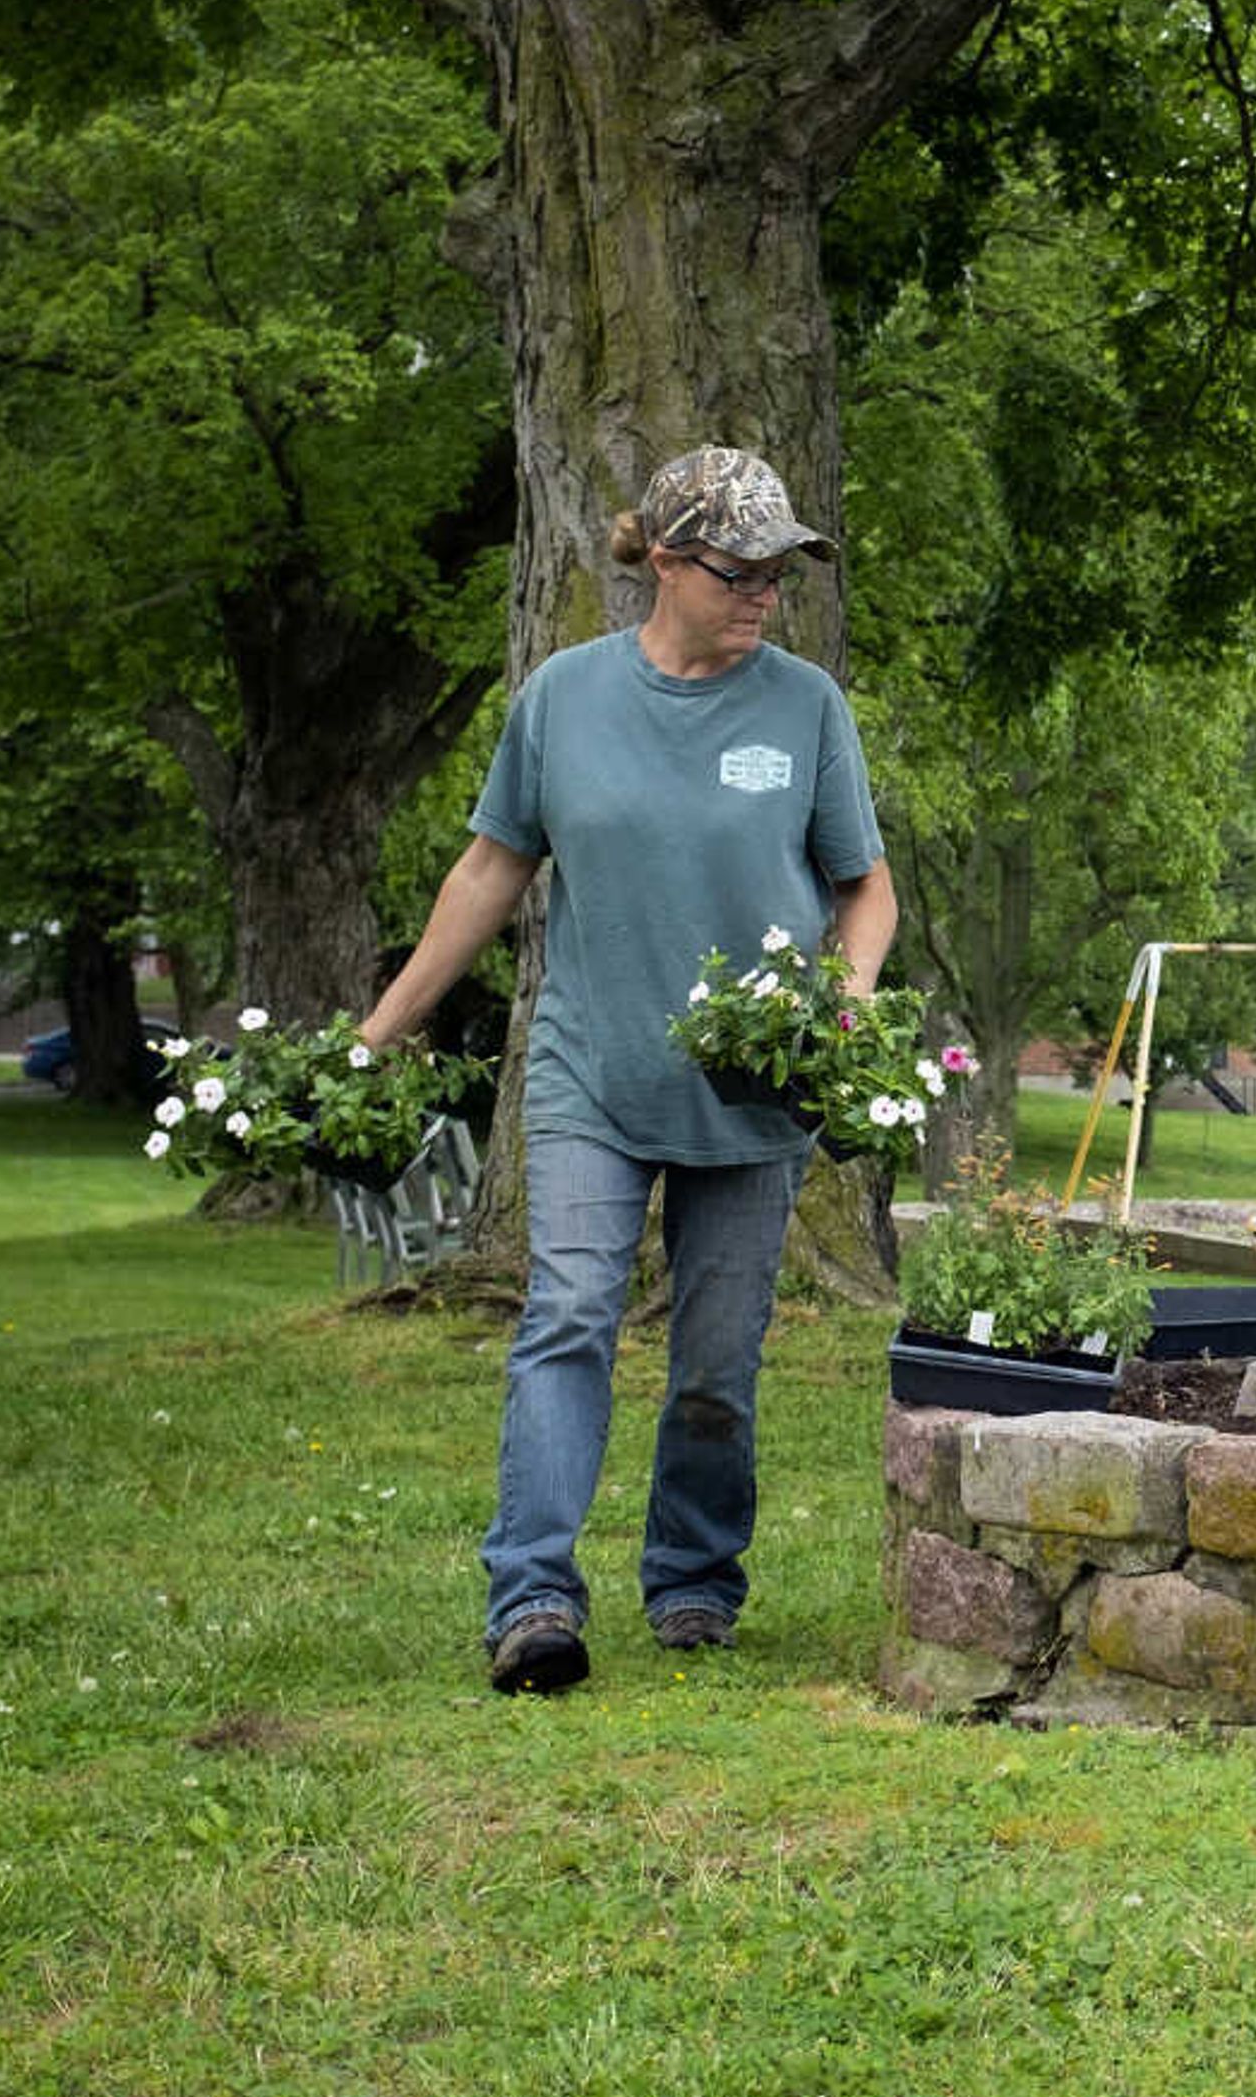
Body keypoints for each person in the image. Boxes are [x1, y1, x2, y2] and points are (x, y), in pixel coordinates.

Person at [362, 446, 896, 1695]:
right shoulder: (563, 696)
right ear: (663, 561)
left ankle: (696, 1576)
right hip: (591, 1067)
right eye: (739, 568)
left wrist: (848, 1003)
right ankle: (534, 1595)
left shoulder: (807, 705)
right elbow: (491, 869)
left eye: (782, 569)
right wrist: (376, 1033)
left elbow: (862, 888)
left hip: (754, 1089)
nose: (766, 590)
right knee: (567, 1320)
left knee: (718, 1353)